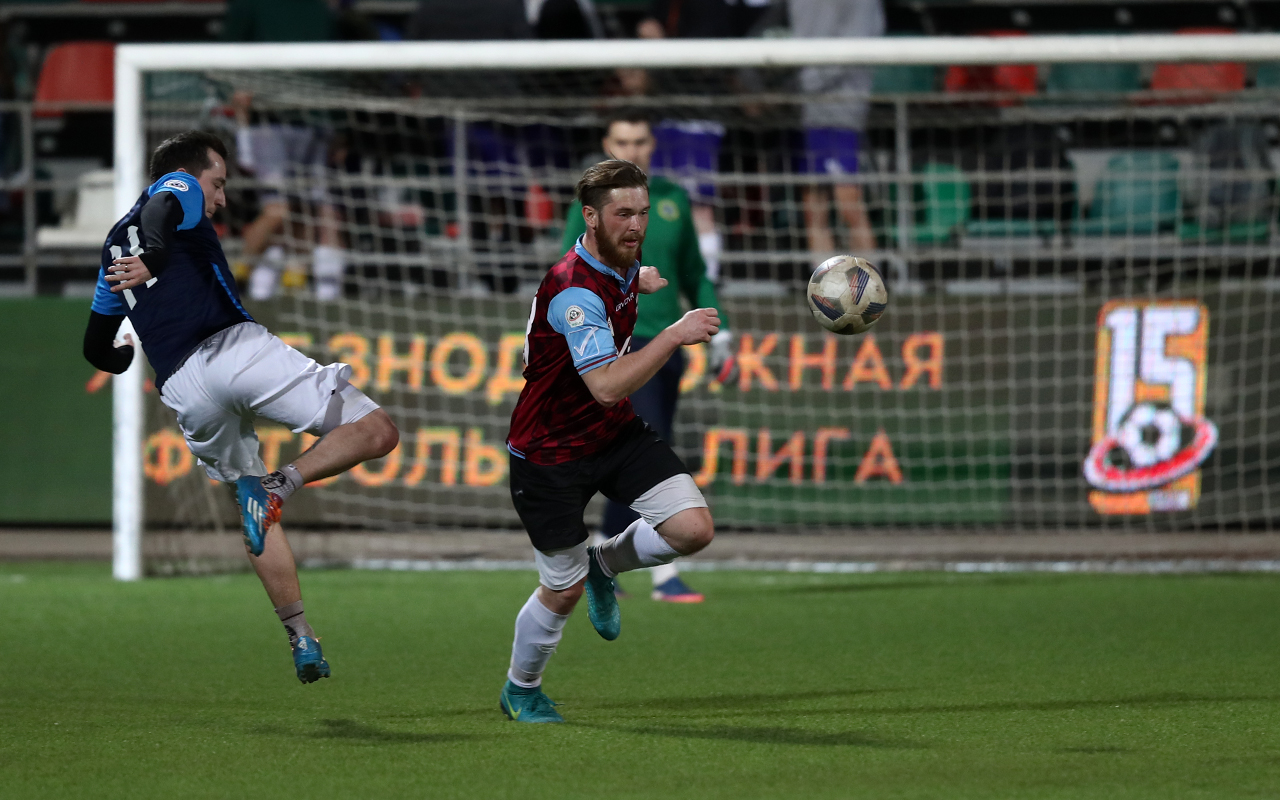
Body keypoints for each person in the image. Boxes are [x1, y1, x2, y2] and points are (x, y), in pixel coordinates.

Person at [82, 131, 399, 683]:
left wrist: (121, 354)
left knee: (246, 499)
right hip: (233, 349)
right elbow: (160, 208)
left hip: (183, 387)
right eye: (218, 183)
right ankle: (283, 484)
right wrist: (154, 257)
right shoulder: (175, 188)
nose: (221, 197)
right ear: (188, 174)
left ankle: (301, 635)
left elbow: (94, 348)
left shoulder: (112, 247)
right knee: (376, 430)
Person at [501, 160, 719, 722]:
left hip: (613, 434)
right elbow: (604, 386)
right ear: (591, 217)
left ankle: (604, 563)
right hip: (549, 452)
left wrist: (637, 280)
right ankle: (521, 689)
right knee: (562, 591)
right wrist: (673, 334)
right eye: (623, 213)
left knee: (693, 528)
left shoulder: (618, 264)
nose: (637, 225)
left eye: (643, 213)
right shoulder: (574, 290)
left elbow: (615, 290)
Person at [562, 112, 731, 603]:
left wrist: (721, 332)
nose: (631, 149)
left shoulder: (674, 199)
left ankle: (599, 558)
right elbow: (570, 270)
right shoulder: (589, 205)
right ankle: (659, 573)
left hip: (669, 345)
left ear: (652, 145)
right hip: (615, 345)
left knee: (641, 452)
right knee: (649, 451)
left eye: (639, 141)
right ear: (606, 144)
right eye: (622, 141)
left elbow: (694, 272)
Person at [230, 91, 347, 301]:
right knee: (278, 207)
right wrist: (243, 121)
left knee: (307, 210)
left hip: (314, 129)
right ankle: (240, 272)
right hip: (270, 130)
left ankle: (294, 278)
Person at [789, 0, 883, 255]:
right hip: (804, 111)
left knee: (848, 204)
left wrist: (805, 81)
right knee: (813, 206)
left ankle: (867, 278)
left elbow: (859, 41)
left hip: (841, 108)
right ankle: (824, 278)